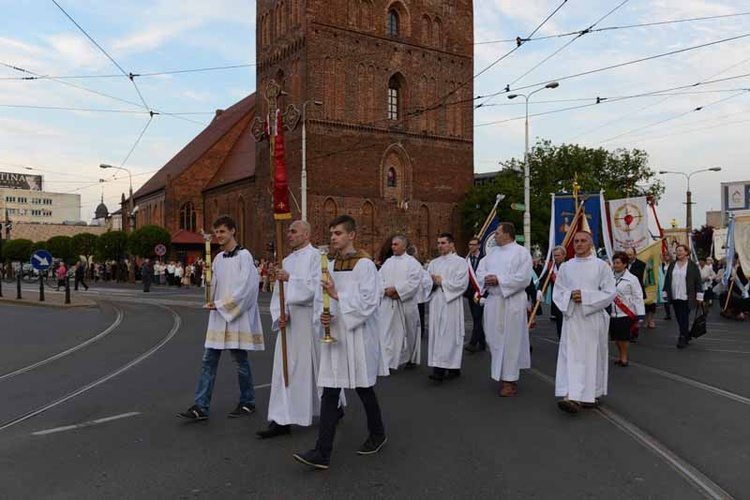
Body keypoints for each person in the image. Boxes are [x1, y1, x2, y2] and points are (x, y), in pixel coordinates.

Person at [293, 215, 386, 470]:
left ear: (352, 235)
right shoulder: (330, 265)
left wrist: (338, 296)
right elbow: (319, 298)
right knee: (330, 390)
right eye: (332, 233)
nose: (333, 237)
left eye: (338, 233)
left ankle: (378, 433)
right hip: (335, 334)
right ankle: (322, 452)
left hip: (357, 336)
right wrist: (323, 316)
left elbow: (369, 302)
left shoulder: (365, 265)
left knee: (363, 388)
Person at [178, 215, 264, 421]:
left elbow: (247, 289)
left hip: (235, 316)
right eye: (216, 233)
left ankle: (248, 401)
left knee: (239, 360)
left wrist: (220, 305)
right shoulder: (217, 258)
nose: (218, 236)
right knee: (208, 361)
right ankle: (201, 406)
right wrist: (209, 283)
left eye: (222, 232)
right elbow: (214, 288)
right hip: (218, 317)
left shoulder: (245, 257)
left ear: (233, 231)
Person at [258, 220, 324, 439]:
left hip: (308, 320)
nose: (289, 234)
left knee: (311, 369)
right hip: (290, 324)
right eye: (288, 231)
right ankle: (281, 418)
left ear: (306, 234)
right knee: (283, 370)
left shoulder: (317, 257)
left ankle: (331, 407)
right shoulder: (286, 260)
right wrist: (280, 313)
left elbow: (318, 287)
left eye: (293, 231)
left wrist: (291, 279)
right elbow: (279, 292)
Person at [553, 231, 616, 414]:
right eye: (576, 241)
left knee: (592, 355)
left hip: (592, 318)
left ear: (591, 244)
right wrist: (570, 296)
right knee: (571, 356)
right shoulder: (565, 267)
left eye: (583, 241)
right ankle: (571, 395)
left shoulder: (601, 266)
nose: (579, 244)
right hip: (572, 317)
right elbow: (558, 291)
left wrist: (587, 297)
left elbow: (610, 292)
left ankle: (591, 394)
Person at [476, 223, 532, 397]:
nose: (495, 236)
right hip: (493, 302)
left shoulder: (521, 253)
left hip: (512, 302)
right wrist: (487, 279)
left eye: (498, 233)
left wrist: (499, 280)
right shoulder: (491, 255)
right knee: (493, 339)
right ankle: (501, 374)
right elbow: (480, 272)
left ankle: (510, 380)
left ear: (507, 234)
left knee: (511, 341)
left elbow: (523, 278)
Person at [426, 233, 469, 383]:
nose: (440, 246)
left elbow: (462, 283)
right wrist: (431, 283)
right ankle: (451, 367)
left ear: (451, 244)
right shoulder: (434, 263)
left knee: (449, 335)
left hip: (451, 303)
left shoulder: (460, 262)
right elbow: (425, 282)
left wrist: (442, 282)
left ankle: (440, 371)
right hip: (436, 303)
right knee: (438, 335)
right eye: (438, 243)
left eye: (443, 243)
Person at [378, 235, 424, 370]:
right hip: (388, 303)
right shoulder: (388, 262)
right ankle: (388, 361)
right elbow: (378, 278)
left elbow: (414, 282)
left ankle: (409, 357)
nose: (393, 247)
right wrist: (385, 290)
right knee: (387, 331)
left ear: (404, 246)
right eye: (392, 244)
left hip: (405, 303)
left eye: (396, 244)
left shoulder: (412, 263)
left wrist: (397, 291)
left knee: (409, 332)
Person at [663, 244, 703, 349]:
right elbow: (667, 279)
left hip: (687, 296)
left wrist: (699, 296)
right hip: (675, 295)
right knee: (679, 317)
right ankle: (686, 334)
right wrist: (665, 292)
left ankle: (682, 337)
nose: (678, 253)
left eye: (680, 250)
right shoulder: (672, 265)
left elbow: (698, 281)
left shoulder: (692, 266)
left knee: (684, 317)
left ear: (686, 252)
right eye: (677, 251)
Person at [609, 251, 645, 367]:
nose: (615, 265)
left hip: (625, 313)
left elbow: (638, 297)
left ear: (624, 264)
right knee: (616, 338)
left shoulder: (632, 279)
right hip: (612, 313)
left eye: (618, 263)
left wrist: (640, 315)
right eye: (614, 263)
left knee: (623, 337)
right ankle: (621, 354)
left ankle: (624, 357)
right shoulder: (608, 277)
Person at [464, 237, 486, 353]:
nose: (471, 247)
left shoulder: (484, 259)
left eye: (473, 244)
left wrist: (484, 294)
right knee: (475, 317)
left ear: (478, 246)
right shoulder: (467, 260)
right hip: (470, 293)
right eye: (469, 244)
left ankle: (473, 343)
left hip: (480, 292)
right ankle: (482, 342)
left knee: (477, 317)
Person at [546, 245, 566, 338]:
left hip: (566, 299)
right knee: (559, 323)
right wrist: (539, 290)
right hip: (556, 300)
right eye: (555, 256)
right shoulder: (551, 267)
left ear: (563, 255)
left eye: (558, 255)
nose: (556, 258)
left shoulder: (568, 266)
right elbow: (544, 280)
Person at [660, 251, 673, 320]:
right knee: (665, 298)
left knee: (673, 298)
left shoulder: (673, 264)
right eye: (665, 255)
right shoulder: (663, 264)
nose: (666, 256)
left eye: (667, 255)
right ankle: (668, 314)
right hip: (664, 282)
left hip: (671, 282)